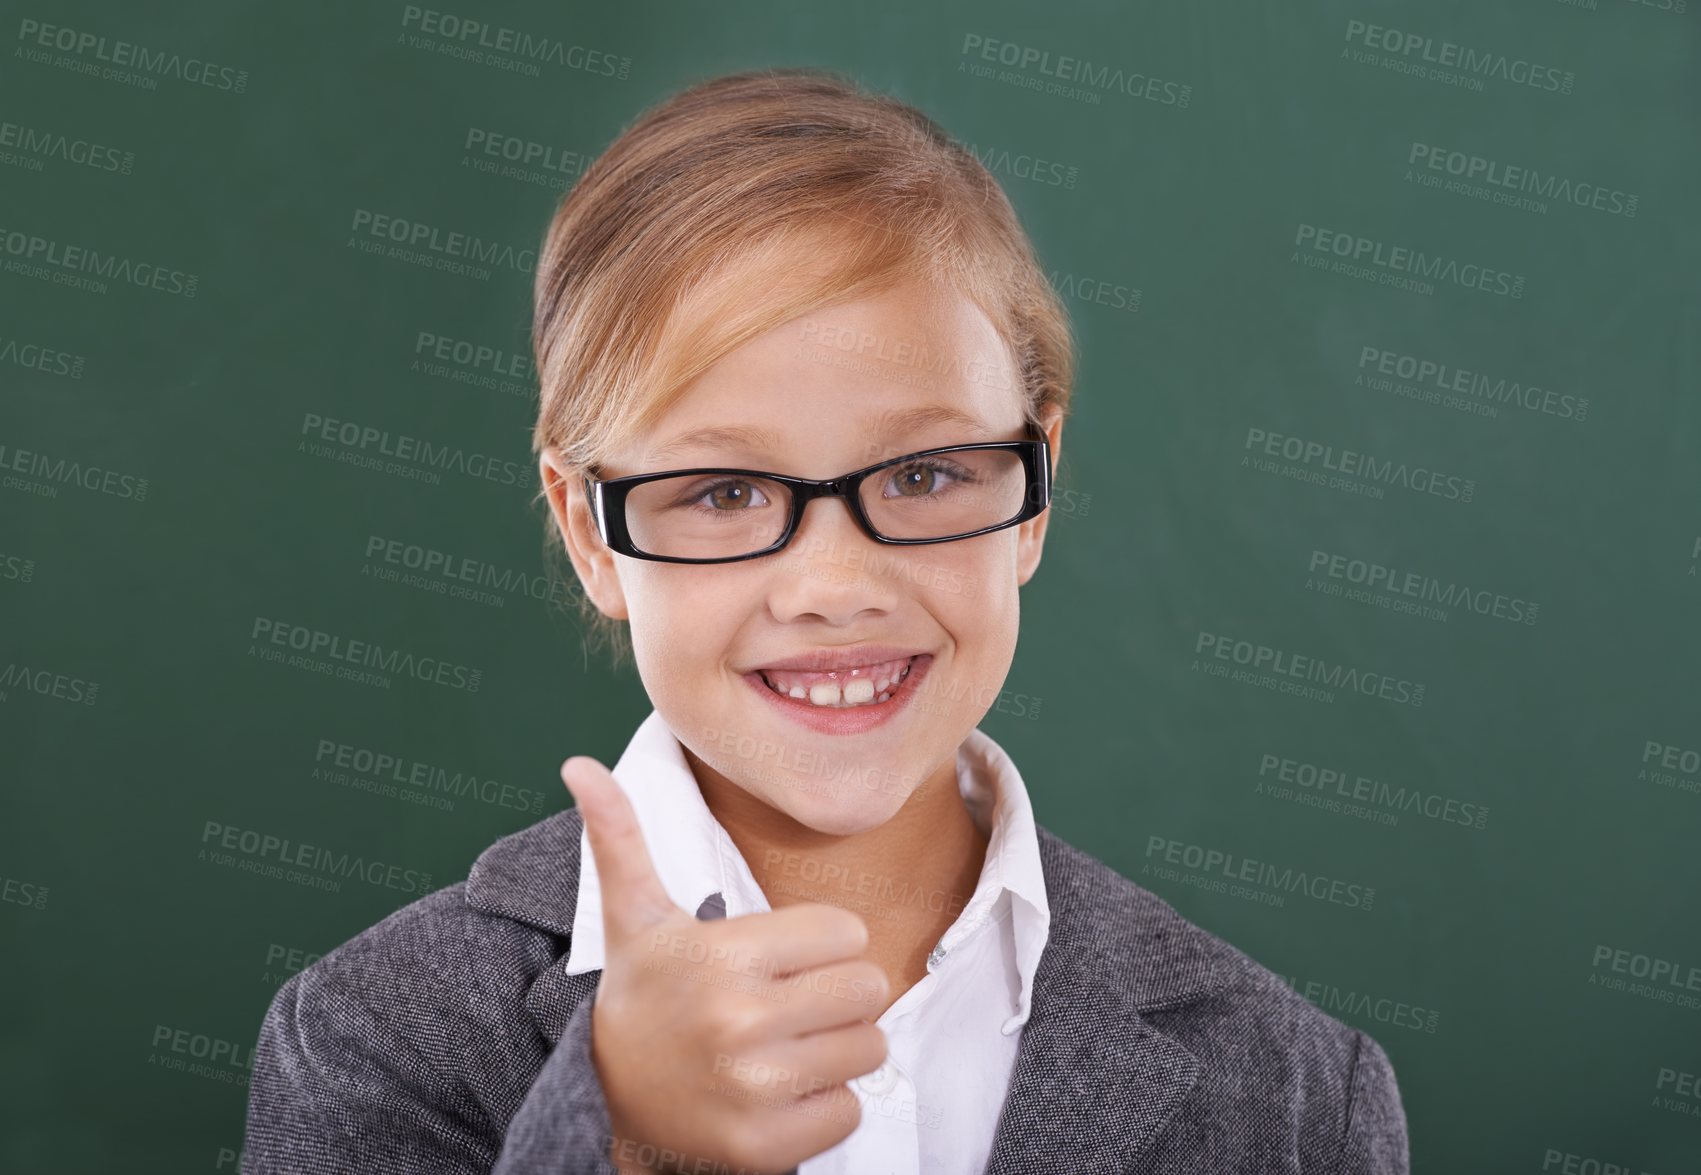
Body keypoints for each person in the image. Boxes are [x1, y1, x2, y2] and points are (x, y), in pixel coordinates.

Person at [242, 67, 1410, 1174]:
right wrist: (626, 1142)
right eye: (725, 492)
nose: (833, 585)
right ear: (591, 531)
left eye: (923, 476)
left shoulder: (1297, 1088)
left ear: (1035, 490)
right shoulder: (376, 1034)